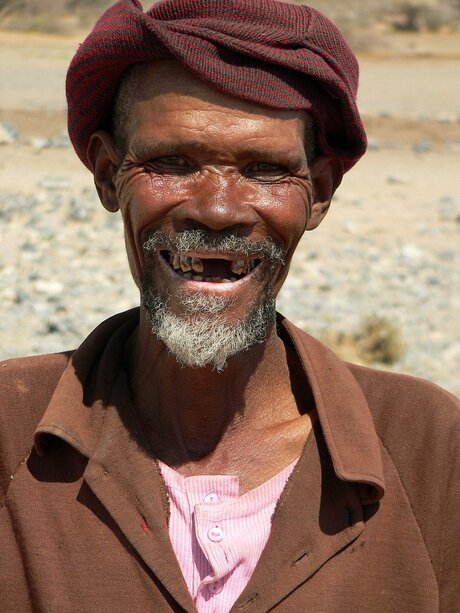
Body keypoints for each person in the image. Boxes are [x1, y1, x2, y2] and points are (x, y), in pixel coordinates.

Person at [1, 0, 459, 611]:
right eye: (173, 163)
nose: (218, 210)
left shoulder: (427, 446)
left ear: (318, 194)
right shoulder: (10, 433)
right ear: (109, 175)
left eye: (266, 171)